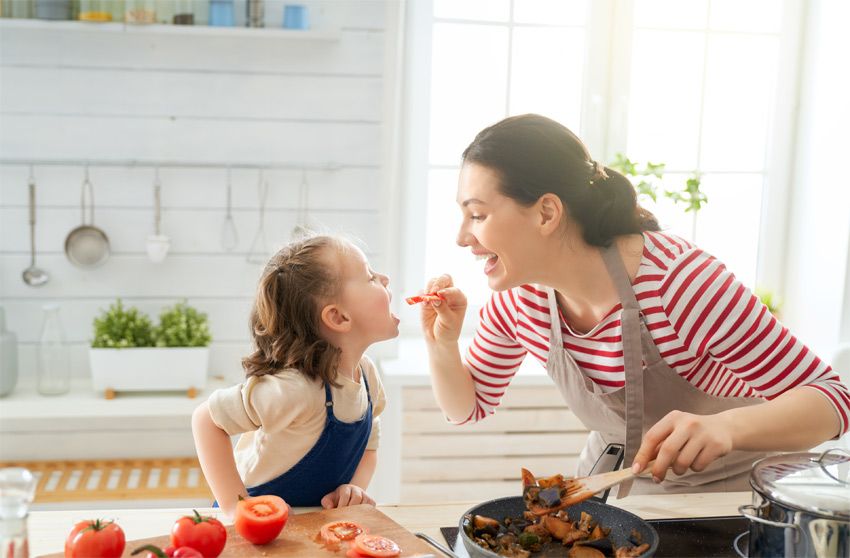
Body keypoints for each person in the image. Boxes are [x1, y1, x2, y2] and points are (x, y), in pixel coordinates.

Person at [416, 113, 849, 495]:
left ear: (547, 212)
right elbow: (468, 406)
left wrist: (727, 428)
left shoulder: (681, 284)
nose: (462, 237)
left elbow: (835, 401)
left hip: (727, 496)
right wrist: (442, 343)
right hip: (612, 488)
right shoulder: (519, 300)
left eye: (477, 214)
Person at [192, 234, 400, 518]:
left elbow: (368, 448)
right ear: (339, 318)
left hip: (312, 523)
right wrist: (235, 506)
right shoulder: (297, 389)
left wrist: (352, 489)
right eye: (369, 277)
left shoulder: (367, 377)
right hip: (251, 526)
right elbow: (206, 420)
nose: (385, 277)